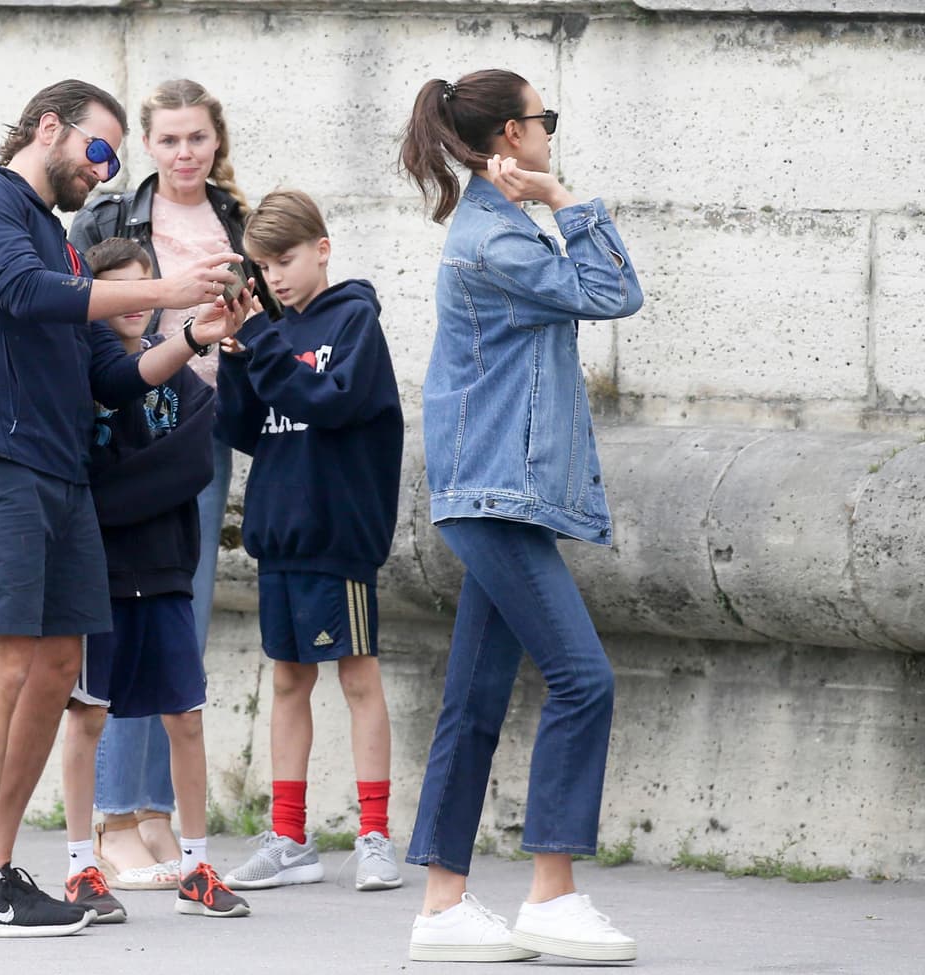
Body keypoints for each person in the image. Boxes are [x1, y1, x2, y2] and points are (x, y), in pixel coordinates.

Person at [0, 79, 248, 938]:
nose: (105, 174)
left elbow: (107, 374)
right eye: (100, 152)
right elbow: (24, 294)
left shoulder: (65, 246)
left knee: (61, 662)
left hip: (60, 472)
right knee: (2, 657)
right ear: (50, 128)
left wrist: (192, 337)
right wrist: (169, 288)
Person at [398, 69, 644, 963]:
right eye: (546, 121)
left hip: (505, 491)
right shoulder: (495, 241)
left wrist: (546, 202)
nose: (552, 132)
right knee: (584, 679)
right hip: (494, 493)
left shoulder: (498, 227)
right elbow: (616, 293)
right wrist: (568, 199)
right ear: (512, 133)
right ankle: (552, 891)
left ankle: (441, 907)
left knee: (471, 699)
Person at [68, 79, 271, 887]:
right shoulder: (113, 217)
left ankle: (155, 813)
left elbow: (266, 318)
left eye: (199, 138)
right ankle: (114, 815)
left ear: (217, 141)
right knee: (118, 612)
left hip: (202, 424)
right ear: (149, 147)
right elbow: (80, 306)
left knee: (175, 612)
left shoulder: (238, 222)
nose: (186, 152)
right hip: (124, 421)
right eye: (171, 139)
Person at [214, 190, 405, 894]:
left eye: (286, 260)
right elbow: (241, 429)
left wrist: (261, 340)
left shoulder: (354, 320)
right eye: (263, 266)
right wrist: (236, 355)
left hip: (338, 535)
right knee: (289, 679)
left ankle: (375, 833)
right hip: (279, 537)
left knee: (358, 676)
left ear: (322, 248)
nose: (277, 277)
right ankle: (291, 838)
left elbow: (331, 402)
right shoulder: (268, 332)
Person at [59, 237, 250, 921]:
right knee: (88, 717)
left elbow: (193, 463)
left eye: (148, 286)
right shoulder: (84, 374)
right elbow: (98, 479)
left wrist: (120, 485)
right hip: (103, 576)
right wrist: (137, 481)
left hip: (168, 570)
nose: (137, 303)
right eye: (122, 290)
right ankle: (83, 864)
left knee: (186, 717)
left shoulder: (182, 383)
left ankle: (197, 862)